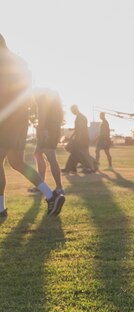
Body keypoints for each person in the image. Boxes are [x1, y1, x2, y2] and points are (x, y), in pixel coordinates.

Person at [0, 33, 64, 217]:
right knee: (17, 162)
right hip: (21, 118)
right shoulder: (19, 62)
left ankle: (1, 209)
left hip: (7, 118)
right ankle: (51, 196)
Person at [32, 89, 65, 198]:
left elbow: (42, 116)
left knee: (51, 158)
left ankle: (59, 188)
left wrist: (40, 129)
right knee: (38, 154)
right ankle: (42, 185)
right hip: (53, 131)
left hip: (47, 132)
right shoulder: (56, 105)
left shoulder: (42, 100)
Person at [62, 105, 97, 174]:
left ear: (76, 109)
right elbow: (78, 129)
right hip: (80, 138)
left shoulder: (81, 118)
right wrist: (72, 136)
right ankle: (70, 168)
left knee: (85, 154)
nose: (72, 112)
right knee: (75, 153)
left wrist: (77, 138)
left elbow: (80, 129)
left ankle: (93, 167)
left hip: (83, 139)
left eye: (72, 111)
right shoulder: (79, 117)